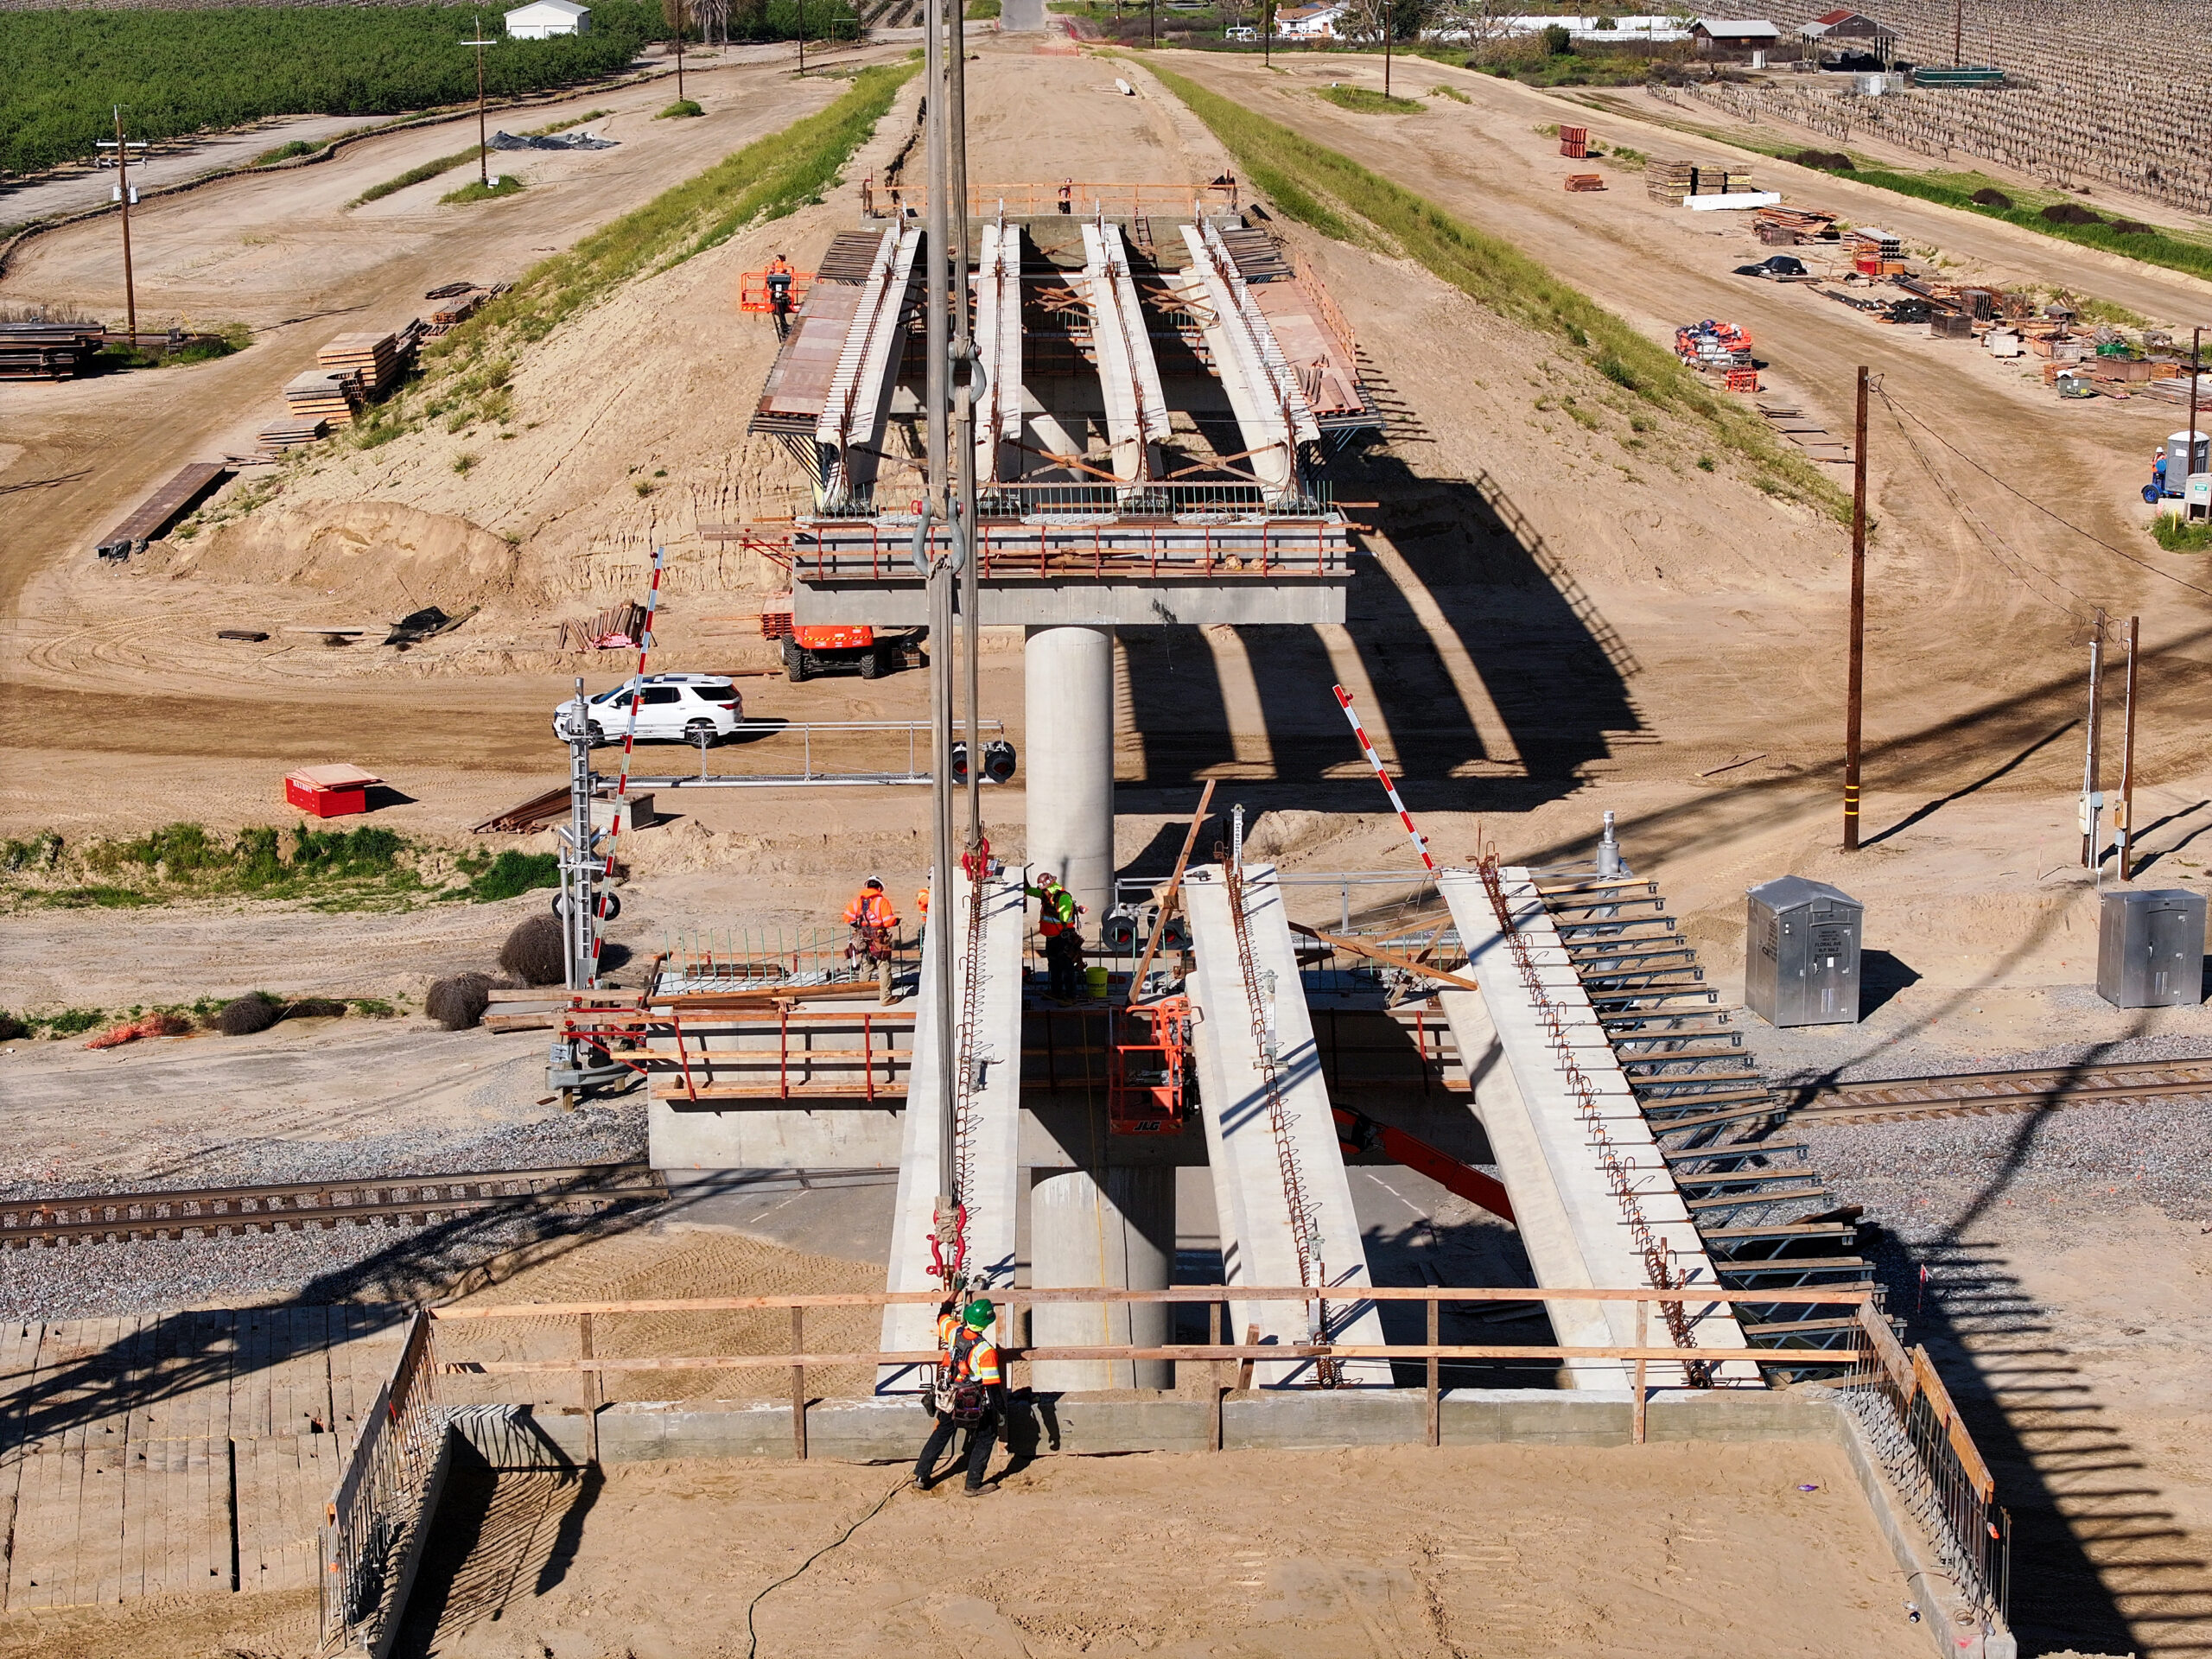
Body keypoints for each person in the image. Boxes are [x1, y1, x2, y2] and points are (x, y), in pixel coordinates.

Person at [915, 1298, 1003, 1494]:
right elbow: (992, 1387)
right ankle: (973, 1484)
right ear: (987, 1323)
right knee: (986, 1436)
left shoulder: (954, 1332)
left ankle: (922, 1475)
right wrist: (1001, 1411)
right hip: (972, 1402)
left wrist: (954, 1293)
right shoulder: (986, 1351)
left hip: (950, 1396)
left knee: (943, 1431)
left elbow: (942, 1314)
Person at [1026, 874, 1085, 999]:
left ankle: (1071, 996)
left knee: (1067, 968)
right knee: (1053, 966)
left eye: (1045, 890)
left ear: (1051, 887)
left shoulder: (1063, 898)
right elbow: (1031, 891)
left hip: (1063, 938)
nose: (1043, 893)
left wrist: (1050, 908)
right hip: (1052, 938)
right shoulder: (1047, 896)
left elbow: (1063, 918)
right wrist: (1024, 881)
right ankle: (1056, 991)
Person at [844, 878, 899, 997]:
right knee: (883, 965)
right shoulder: (882, 901)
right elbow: (888, 922)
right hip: (879, 938)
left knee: (866, 963)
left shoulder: (857, 901)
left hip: (863, 938)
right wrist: (896, 921)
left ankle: (862, 994)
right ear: (879, 888)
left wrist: (859, 925)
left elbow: (847, 918)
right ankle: (885, 997)